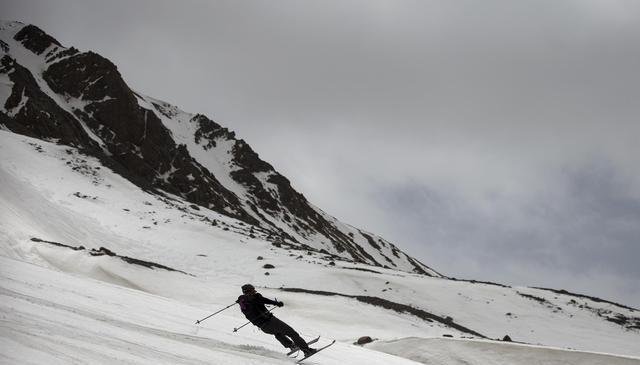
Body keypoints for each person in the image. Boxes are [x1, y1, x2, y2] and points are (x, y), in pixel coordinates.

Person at [237, 284, 316, 356]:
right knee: (292, 333)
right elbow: (263, 300)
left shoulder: (243, 303)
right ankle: (306, 350)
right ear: (249, 291)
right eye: (252, 290)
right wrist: (276, 303)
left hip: (263, 327)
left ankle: (291, 345)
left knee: (278, 333)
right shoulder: (253, 298)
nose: (254, 291)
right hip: (270, 321)